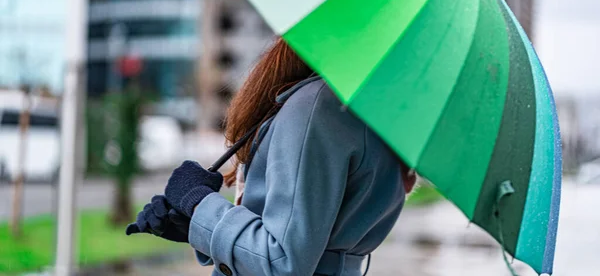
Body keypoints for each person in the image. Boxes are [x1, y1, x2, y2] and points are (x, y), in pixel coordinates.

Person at [126, 38, 417, 276]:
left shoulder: (317, 105)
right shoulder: (380, 109)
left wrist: (200, 202)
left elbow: (281, 263)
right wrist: (197, 227)